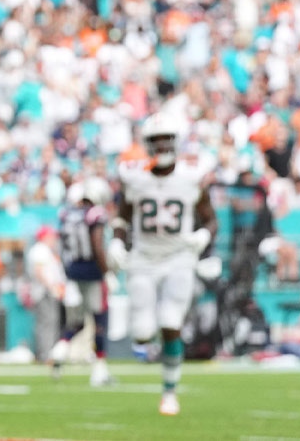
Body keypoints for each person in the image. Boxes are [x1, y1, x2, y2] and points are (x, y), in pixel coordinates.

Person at [114, 111, 217, 416]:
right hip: (143, 258)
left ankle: (169, 393)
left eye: (166, 139)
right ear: (146, 144)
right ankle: (153, 351)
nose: (161, 145)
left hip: (178, 257)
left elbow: (210, 219)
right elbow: (121, 216)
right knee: (143, 331)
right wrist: (118, 239)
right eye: (155, 140)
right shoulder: (134, 177)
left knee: (171, 322)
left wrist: (202, 236)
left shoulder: (191, 177)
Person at [50, 178, 114, 386]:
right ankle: (100, 370)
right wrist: (106, 271)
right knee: (100, 320)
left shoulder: (68, 213)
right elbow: (96, 244)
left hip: (72, 271)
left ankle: (59, 350)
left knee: (78, 319)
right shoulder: (94, 214)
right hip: (92, 271)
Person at [26, 225, 64, 364]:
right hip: (44, 292)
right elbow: (39, 271)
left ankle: (47, 353)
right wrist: (51, 286)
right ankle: (45, 354)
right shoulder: (40, 250)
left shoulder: (44, 250)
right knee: (47, 323)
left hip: (46, 291)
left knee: (49, 322)